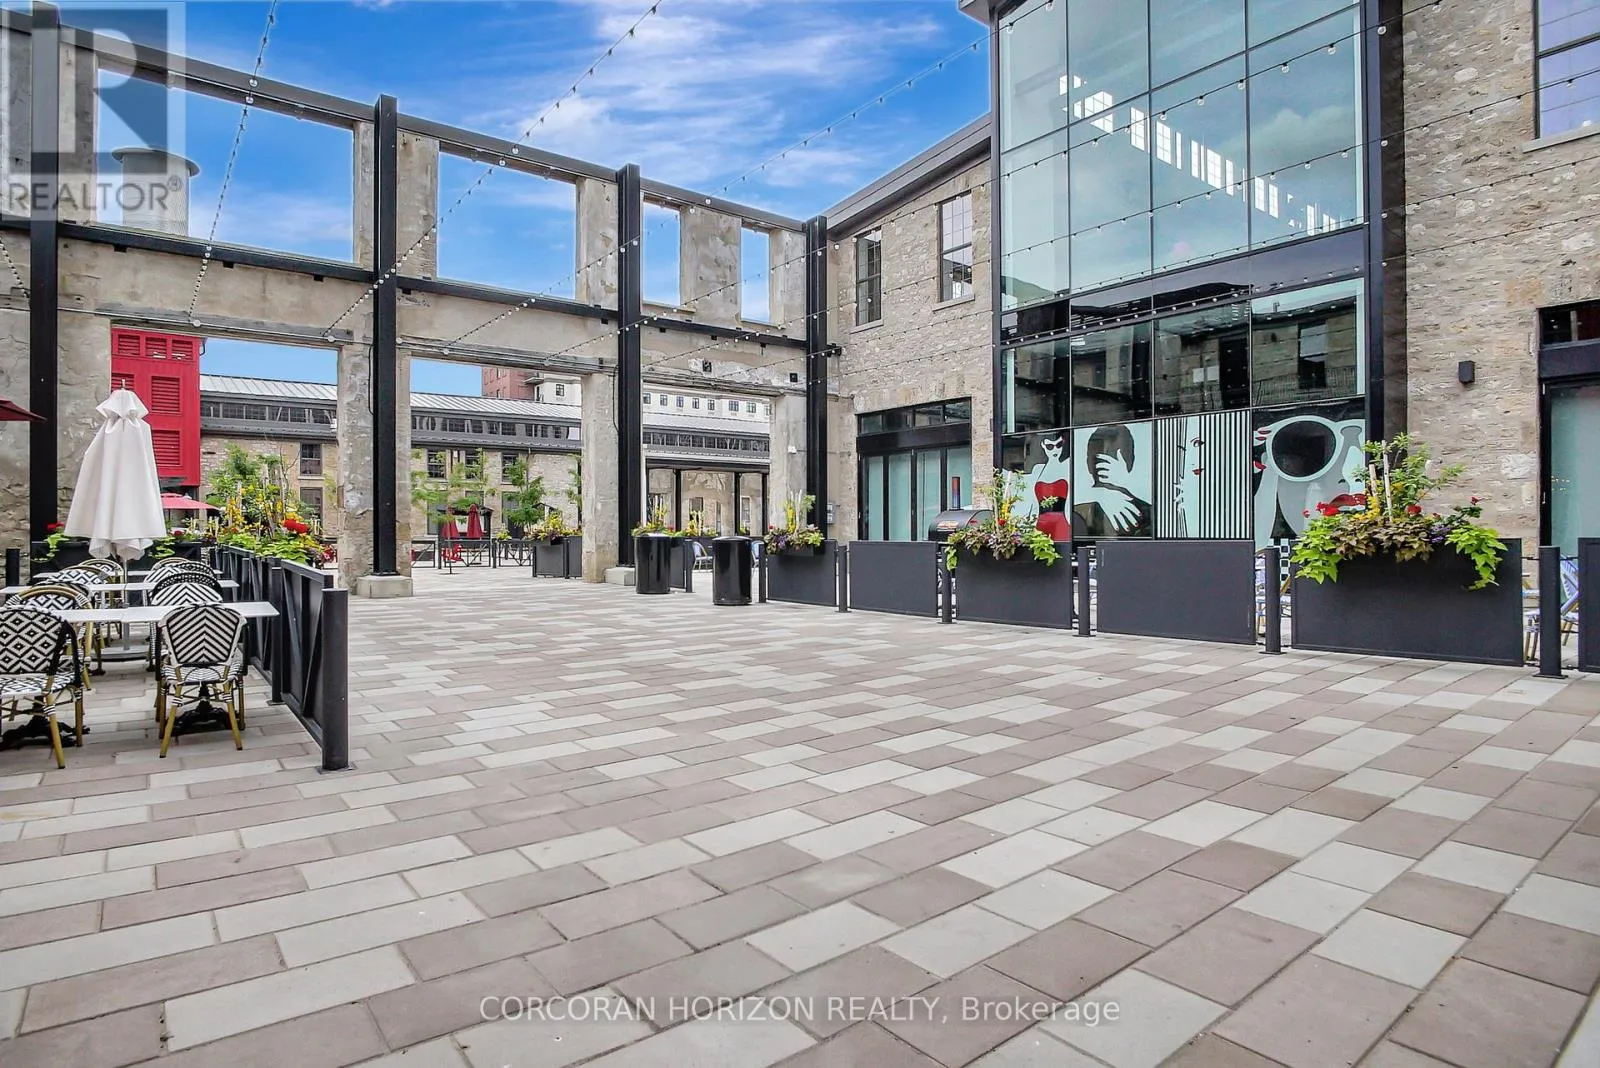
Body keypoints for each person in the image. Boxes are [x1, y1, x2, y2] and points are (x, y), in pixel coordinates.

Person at [1074, 425, 1151, 537]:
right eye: (1096, 459)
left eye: (1112, 456)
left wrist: (1127, 482)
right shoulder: (1082, 505)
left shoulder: (1143, 506)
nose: (1101, 466)